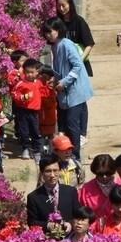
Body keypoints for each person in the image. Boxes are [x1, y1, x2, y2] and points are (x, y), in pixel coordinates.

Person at [41, 20, 92, 160]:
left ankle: (75, 156)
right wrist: (55, 80)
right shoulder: (55, 46)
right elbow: (59, 69)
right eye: (46, 32)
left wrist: (64, 82)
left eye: (50, 31)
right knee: (64, 125)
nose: (48, 35)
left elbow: (77, 66)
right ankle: (64, 152)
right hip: (64, 93)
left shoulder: (67, 45)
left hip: (75, 92)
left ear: (58, 30)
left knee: (72, 124)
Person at [27, 154, 81, 231]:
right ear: (42, 173)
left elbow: (78, 215)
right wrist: (48, 225)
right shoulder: (33, 197)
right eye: (48, 171)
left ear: (60, 171)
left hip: (69, 237)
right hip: (46, 239)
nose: (52, 175)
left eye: (55, 170)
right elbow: (32, 222)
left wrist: (70, 224)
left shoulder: (71, 191)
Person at [51, 0, 94, 77]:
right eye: (58, 6)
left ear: (70, 4)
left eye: (63, 5)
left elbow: (89, 44)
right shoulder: (57, 23)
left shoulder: (79, 21)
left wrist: (79, 61)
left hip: (80, 65)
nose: (61, 8)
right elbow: (53, 45)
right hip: (63, 65)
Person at [11, 57, 45, 158]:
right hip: (23, 111)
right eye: (27, 72)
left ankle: (37, 151)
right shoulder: (21, 83)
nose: (29, 74)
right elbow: (14, 94)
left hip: (35, 112)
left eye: (32, 72)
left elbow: (43, 92)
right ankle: (25, 148)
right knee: (24, 131)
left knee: (36, 131)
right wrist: (23, 97)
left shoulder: (39, 83)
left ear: (37, 72)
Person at [79, 154, 120, 221]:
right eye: (100, 174)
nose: (104, 177)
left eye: (108, 173)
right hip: (95, 228)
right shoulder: (86, 189)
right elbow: (83, 213)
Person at [37, 64, 59, 141]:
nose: (50, 79)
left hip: (50, 115)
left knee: (50, 135)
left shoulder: (47, 86)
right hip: (43, 116)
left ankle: (50, 149)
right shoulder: (39, 85)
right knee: (43, 135)